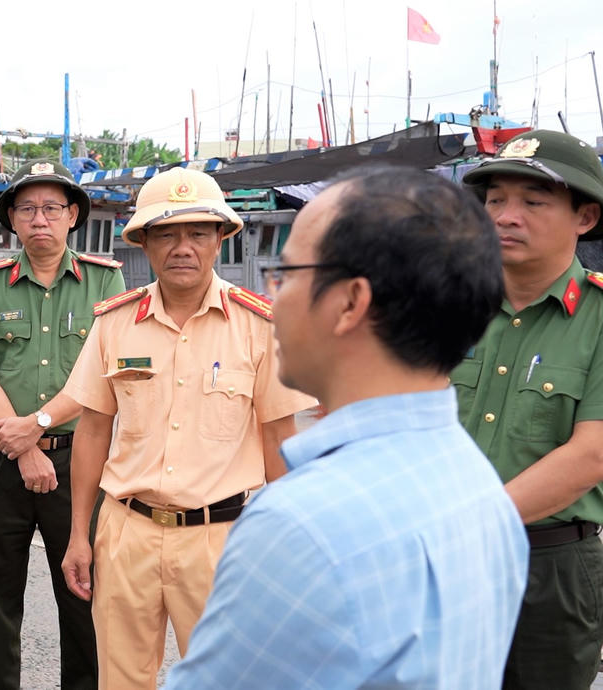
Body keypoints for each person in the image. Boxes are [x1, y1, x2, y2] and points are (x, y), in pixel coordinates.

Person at [164, 165, 529, 688]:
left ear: (351, 302)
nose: (274, 299)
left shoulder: (299, 526)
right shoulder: (480, 487)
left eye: (286, 275)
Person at [60, 166, 315, 689]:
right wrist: (78, 537)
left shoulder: (261, 327)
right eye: (167, 233)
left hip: (221, 540)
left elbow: (279, 442)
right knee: (121, 680)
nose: (183, 247)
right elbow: (91, 432)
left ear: (219, 240)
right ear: (145, 244)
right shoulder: (113, 323)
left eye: (198, 233)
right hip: (126, 532)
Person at [0, 159, 126, 689]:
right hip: (0, 460)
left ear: (73, 215)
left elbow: (104, 377)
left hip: (79, 460)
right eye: (26, 209)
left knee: (83, 593)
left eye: (51, 208)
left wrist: (41, 425)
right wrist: (24, 446)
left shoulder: (105, 279)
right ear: (12, 220)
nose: (39, 219)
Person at [456, 129, 603, 690]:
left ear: (584, 218)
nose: (505, 216)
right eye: (495, 201)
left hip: (551, 570)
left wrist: (466, 525)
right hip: (442, 561)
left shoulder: (597, 318)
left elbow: (590, 455)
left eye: (533, 202)